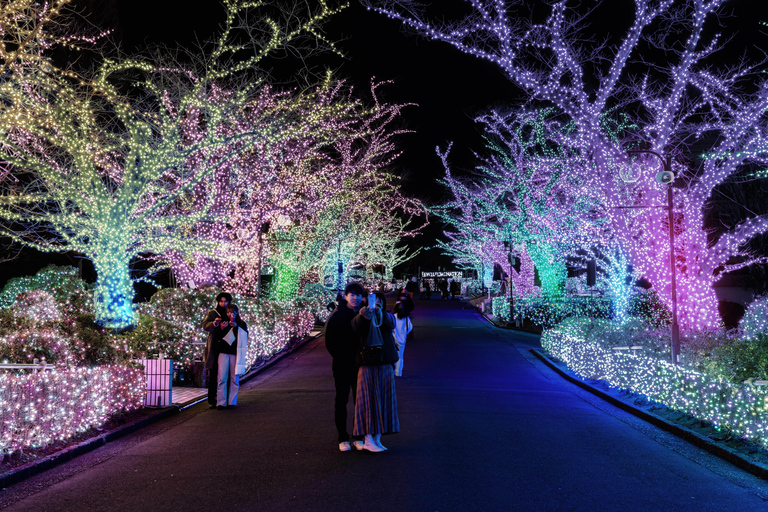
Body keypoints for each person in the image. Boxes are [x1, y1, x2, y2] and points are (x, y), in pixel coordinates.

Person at [351, 292, 399, 452]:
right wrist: (364, 315)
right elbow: (355, 327)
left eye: (379, 301)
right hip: (367, 364)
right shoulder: (362, 317)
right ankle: (367, 439)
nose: (376, 304)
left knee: (384, 401)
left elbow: (392, 323)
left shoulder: (386, 317)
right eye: (373, 301)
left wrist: (380, 314)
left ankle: (377, 438)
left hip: (385, 363)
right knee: (368, 401)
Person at [325, 282, 365, 452]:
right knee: (341, 401)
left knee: (360, 402)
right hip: (342, 365)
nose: (354, 297)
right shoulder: (338, 315)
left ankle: (358, 436)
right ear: (346, 296)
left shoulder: (366, 314)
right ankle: (342, 437)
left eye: (357, 294)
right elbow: (329, 341)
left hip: (362, 366)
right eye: (351, 294)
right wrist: (340, 356)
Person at [215, 304, 248, 409]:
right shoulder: (223, 322)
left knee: (234, 378)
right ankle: (221, 402)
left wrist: (236, 327)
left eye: (232, 312)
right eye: (228, 312)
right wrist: (221, 328)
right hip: (223, 352)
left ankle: (232, 401)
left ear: (237, 312)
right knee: (222, 378)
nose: (230, 314)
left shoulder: (241, 324)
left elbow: (245, 337)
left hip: (235, 353)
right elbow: (217, 336)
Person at [202, 292, 232, 408]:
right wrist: (215, 324)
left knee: (226, 374)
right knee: (214, 373)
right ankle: (212, 399)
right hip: (215, 346)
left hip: (228, 346)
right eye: (221, 301)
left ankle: (225, 399)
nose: (223, 304)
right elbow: (205, 325)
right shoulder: (213, 313)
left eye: (225, 301)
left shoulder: (231, 312)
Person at [392, 298, 413, 378]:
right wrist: (404, 333)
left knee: (393, 356)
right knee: (400, 357)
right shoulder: (406, 318)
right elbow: (409, 328)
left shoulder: (393, 317)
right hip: (402, 340)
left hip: (393, 339)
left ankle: (393, 371)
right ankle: (399, 372)